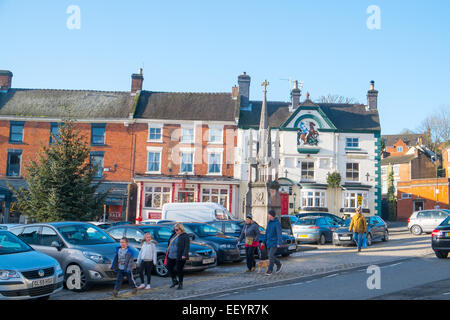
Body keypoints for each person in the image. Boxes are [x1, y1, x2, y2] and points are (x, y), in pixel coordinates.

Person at [166, 223, 190, 290]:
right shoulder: (174, 235)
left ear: (181, 229)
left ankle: (180, 283)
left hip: (180, 255)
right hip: (171, 255)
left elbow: (187, 246)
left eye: (177, 230)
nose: (175, 231)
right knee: (169, 267)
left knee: (179, 269)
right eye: (175, 230)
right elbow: (170, 243)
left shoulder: (185, 236)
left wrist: (184, 254)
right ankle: (174, 281)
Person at [265, 210, 283, 275]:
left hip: (274, 243)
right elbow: (266, 233)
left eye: (269, 215)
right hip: (269, 242)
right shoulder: (269, 223)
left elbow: (279, 234)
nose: (268, 216)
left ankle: (270, 270)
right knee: (270, 256)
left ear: (272, 215)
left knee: (270, 255)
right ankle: (279, 264)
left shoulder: (277, 223)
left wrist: (279, 243)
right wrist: (263, 241)